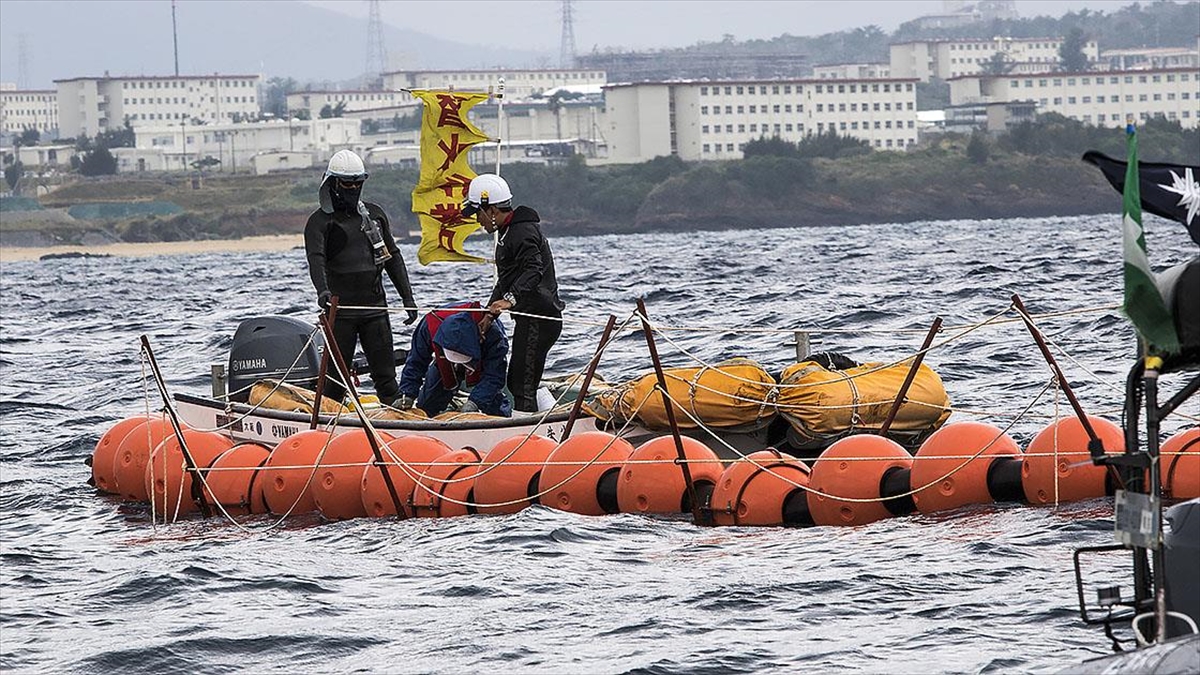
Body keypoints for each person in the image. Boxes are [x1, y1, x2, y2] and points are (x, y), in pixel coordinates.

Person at [304, 149, 418, 407]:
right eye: (347, 183)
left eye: (359, 183)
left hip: (375, 308)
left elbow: (393, 257)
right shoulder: (320, 222)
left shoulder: (374, 215)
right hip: (341, 311)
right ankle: (330, 427)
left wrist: (407, 296)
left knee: (387, 379)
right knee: (335, 382)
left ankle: (394, 421)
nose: (353, 188)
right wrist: (322, 290)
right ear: (332, 183)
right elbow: (316, 258)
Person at [462, 173, 565, 413]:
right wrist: (489, 313)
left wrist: (509, 300)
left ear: (492, 210)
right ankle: (541, 413)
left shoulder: (522, 232)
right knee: (521, 378)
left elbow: (533, 269)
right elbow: (505, 280)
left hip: (540, 318)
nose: (478, 220)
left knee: (521, 383)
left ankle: (524, 434)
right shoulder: (507, 234)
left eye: (478, 213)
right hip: (528, 317)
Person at [396, 301, 511, 417]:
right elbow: (416, 362)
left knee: (492, 400)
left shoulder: (494, 335)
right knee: (427, 403)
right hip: (444, 360)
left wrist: (475, 403)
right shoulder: (429, 325)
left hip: (480, 358)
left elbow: (494, 376)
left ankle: (502, 417)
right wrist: (407, 394)